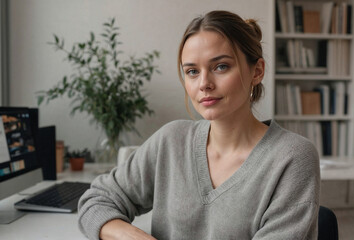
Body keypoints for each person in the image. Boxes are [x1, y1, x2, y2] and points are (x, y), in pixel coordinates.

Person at [78, 10, 320, 240]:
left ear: (257, 71)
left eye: (221, 66)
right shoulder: (171, 140)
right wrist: (131, 235)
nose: (204, 83)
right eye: (192, 71)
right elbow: (96, 200)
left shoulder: (292, 157)